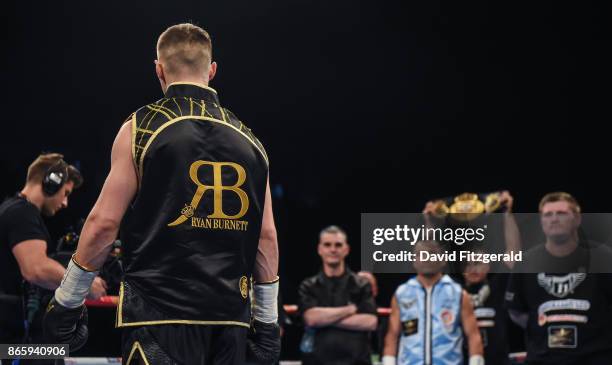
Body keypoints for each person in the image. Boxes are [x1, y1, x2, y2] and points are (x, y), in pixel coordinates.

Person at [43, 23, 280, 365]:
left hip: (158, 320)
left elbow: (103, 224)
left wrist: (67, 300)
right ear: (211, 70)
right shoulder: (251, 142)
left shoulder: (141, 128)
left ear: (159, 68)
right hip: (229, 324)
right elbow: (267, 237)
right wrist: (268, 322)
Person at [0, 153, 106, 348]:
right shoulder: (21, 213)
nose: (65, 203)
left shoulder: (13, 209)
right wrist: (84, 284)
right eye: (65, 193)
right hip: (16, 339)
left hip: (17, 334)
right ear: (51, 183)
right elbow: (36, 268)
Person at [505, 192, 612, 364]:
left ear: (577, 219)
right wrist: (541, 325)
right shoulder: (526, 263)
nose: (554, 219)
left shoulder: (603, 257)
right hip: (543, 359)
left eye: (561, 213)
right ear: (541, 222)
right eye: (548, 214)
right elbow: (516, 311)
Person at [424, 191, 518, 365]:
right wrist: (429, 220)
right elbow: (430, 256)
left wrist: (507, 213)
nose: (473, 267)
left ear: (489, 266)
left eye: (479, 262)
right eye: (470, 263)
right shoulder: (454, 288)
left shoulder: (497, 287)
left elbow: (512, 253)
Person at [383, 240, 484, 365]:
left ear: (443, 259)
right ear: (413, 260)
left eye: (431, 253)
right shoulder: (402, 293)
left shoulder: (458, 294)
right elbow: (392, 337)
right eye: (421, 254)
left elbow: (473, 336)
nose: (426, 258)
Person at [298, 225, 378, 365]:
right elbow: (311, 319)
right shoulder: (308, 286)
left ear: (346, 249)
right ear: (320, 249)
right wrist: (349, 310)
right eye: (328, 245)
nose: (333, 249)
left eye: (338, 245)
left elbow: (370, 322)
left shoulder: (361, 285)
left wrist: (325, 319)